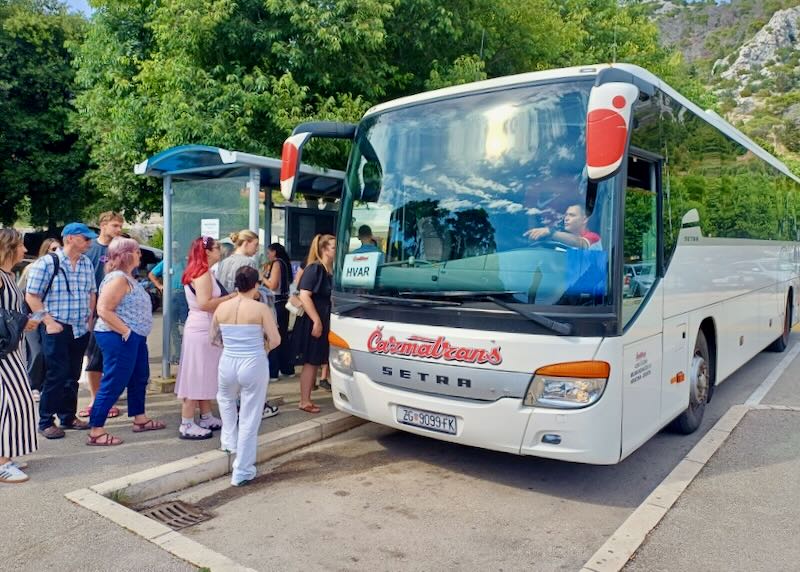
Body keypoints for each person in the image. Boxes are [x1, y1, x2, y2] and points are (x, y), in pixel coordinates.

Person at [87, 238, 165, 445]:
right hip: (119, 336)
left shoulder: (127, 277)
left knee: (140, 376)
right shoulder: (118, 279)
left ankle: (140, 418)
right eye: (138, 251)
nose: (140, 255)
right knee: (114, 381)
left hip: (133, 336)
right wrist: (126, 331)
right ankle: (96, 430)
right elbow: (103, 309)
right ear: (128, 254)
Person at [25, 223, 97, 440]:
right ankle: (45, 421)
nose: (89, 242)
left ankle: (68, 416)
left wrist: (89, 317)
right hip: (56, 327)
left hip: (79, 327)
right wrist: (49, 322)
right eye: (85, 238)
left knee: (73, 375)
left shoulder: (85, 263)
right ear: (70, 239)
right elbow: (32, 296)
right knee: (56, 375)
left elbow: (91, 292)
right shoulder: (46, 263)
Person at [211, 266, 280, 486]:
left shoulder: (222, 308)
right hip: (253, 361)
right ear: (256, 284)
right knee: (251, 415)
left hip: (228, 360)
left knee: (225, 399)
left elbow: (213, 338)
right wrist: (264, 348)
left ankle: (229, 442)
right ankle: (242, 470)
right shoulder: (260, 309)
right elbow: (276, 339)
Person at [175, 236, 237, 440]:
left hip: (203, 326)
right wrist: (231, 297)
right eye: (217, 247)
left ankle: (206, 415)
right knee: (196, 373)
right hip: (202, 327)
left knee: (205, 372)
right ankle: (187, 423)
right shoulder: (202, 274)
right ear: (207, 251)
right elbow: (205, 303)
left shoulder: (203, 272)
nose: (220, 250)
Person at [0, 229, 40, 483]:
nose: (25, 251)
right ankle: (2, 463)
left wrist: (23, 322)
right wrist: (21, 321)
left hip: (12, 347)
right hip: (3, 350)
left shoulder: (9, 275)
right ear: (9, 247)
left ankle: (7, 454)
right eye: (21, 246)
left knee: (20, 399)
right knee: (9, 401)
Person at [81, 211, 125, 419]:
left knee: (113, 356)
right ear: (103, 225)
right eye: (115, 226)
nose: (119, 230)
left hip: (118, 311)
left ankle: (108, 397)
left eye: (120, 226)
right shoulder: (90, 250)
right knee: (94, 357)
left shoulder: (121, 249)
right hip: (96, 311)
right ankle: (95, 398)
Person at [293, 234, 335, 413]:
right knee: (311, 361)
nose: (336, 250)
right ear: (324, 249)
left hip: (321, 319)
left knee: (315, 361)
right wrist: (316, 320)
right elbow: (304, 295)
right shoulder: (315, 268)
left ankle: (307, 398)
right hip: (313, 321)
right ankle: (304, 400)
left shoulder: (327, 269)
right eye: (333, 247)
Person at [17, 238, 60, 402]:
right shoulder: (33, 268)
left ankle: (43, 385)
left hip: (52, 315)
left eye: (59, 249)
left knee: (50, 353)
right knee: (37, 352)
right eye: (53, 249)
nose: (57, 253)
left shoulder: (63, 268)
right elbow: (22, 294)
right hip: (33, 316)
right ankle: (32, 385)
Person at [262, 243, 294, 381]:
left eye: (269, 252)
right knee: (283, 337)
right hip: (283, 303)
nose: (268, 255)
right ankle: (287, 368)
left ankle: (273, 371)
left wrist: (262, 277)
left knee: (273, 336)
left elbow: (273, 285)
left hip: (276, 303)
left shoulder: (276, 264)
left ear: (274, 252)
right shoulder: (285, 264)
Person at [524, 203, 600, 249]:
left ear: (584, 220)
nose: (566, 218)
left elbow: (580, 243)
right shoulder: (564, 240)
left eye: (572, 215)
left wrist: (551, 232)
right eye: (566, 215)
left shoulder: (594, 237)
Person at [215, 230, 259, 294]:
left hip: (224, 301)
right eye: (256, 245)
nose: (257, 249)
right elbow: (252, 291)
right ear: (246, 243)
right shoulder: (249, 263)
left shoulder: (224, 262)